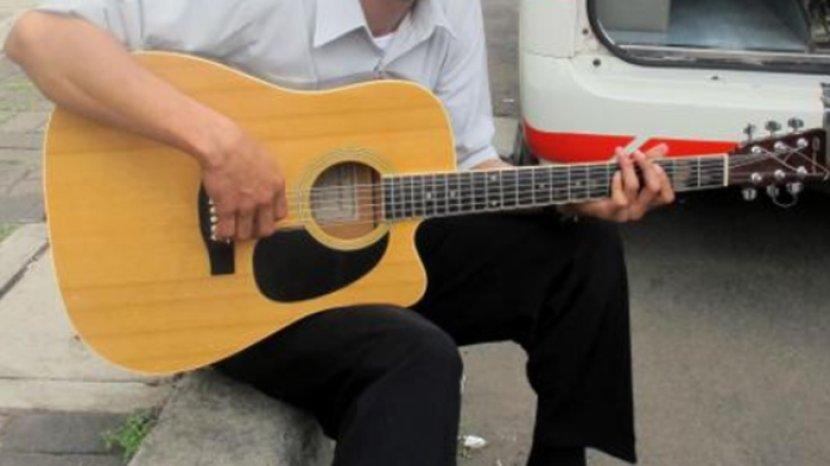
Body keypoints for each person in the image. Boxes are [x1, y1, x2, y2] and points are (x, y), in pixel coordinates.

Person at [4, 1, 675, 465]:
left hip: (368, 261)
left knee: (578, 252)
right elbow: (36, 33)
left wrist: (575, 197)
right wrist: (217, 143)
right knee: (417, 360)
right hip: (234, 288)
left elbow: (469, 163)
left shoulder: (450, 13)